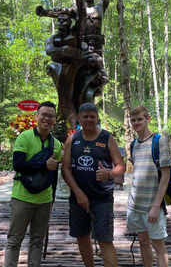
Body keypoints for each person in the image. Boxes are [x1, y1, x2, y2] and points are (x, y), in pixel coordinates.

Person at [61, 103, 126, 267]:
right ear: (79, 119)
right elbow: (65, 168)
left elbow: (121, 165)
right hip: (78, 198)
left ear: (97, 118)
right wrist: (78, 192)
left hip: (102, 198)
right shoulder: (72, 139)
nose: (89, 119)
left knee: (104, 239)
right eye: (85, 116)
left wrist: (109, 174)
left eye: (92, 116)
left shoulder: (107, 138)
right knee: (82, 236)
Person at [4, 101, 62, 267]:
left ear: (54, 119)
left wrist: (52, 199)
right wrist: (43, 165)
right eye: (44, 114)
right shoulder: (24, 137)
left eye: (51, 116)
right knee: (15, 240)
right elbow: (18, 165)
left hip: (44, 200)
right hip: (22, 198)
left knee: (37, 241)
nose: (47, 118)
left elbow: (54, 175)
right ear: (37, 116)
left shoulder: (56, 145)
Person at [128, 106, 170, 267]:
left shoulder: (159, 141)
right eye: (133, 120)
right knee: (143, 242)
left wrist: (156, 206)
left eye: (140, 119)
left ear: (147, 119)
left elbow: (165, 176)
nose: (136, 123)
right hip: (135, 204)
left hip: (153, 205)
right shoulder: (133, 145)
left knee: (158, 245)